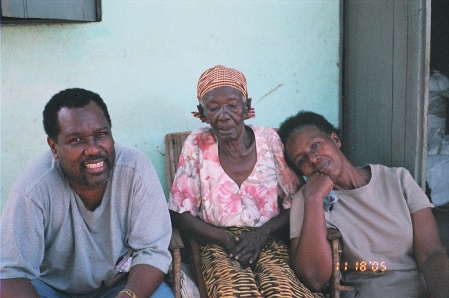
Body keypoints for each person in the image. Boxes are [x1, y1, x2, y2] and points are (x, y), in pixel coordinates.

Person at [0, 88, 174, 298]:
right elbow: (9, 273)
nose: (93, 149)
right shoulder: (34, 189)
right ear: (54, 147)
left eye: (101, 135)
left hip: (120, 286)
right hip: (51, 291)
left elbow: (152, 252)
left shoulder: (135, 170)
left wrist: (128, 296)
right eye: (76, 140)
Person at [168, 65, 322, 297]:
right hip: (216, 243)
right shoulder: (197, 143)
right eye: (213, 108)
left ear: (247, 106)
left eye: (232, 105)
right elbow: (179, 212)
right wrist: (226, 239)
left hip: (270, 239)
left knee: (284, 291)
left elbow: (298, 201)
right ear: (202, 112)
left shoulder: (270, 140)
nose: (224, 115)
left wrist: (262, 234)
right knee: (234, 293)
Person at [278, 110, 449, 298]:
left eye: (315, 145)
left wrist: (441, 292)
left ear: (335, 140)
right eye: (301, 160)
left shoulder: (398, 179)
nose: (312, 159)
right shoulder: (307, 199)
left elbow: (431, 253)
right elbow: (315, 279)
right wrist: (314, 200)